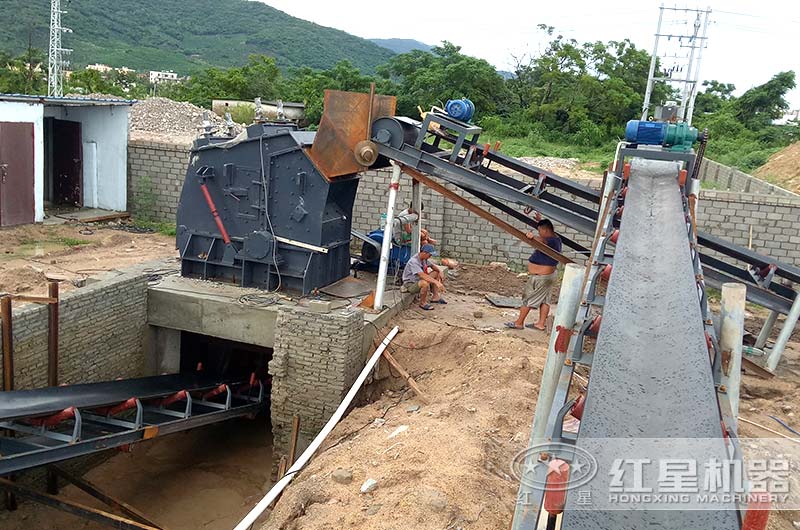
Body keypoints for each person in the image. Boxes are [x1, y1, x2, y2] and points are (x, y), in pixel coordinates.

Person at [506, 215, 562, 330]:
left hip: (541, 277)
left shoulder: (551, 241)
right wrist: (539, 221)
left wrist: (532, 237)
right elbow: (545, 235)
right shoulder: (556, 239)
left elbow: (543, 240)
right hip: (546, 277)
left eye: (540, 231)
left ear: (546, 230)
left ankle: (519, 323)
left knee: (529, 299)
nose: (539, 233)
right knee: (545, 300)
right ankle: (540, 324)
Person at [402, 243, 446, 310]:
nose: (430, 256)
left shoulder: (423, 259)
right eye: (430, 255)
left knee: (436, 273)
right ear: (424, 253)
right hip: (411, 284)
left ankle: (435, 297)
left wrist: (440, 271)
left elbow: (432, 266)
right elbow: (422, 275)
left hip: (419, 280)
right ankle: (422, 303)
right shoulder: (414, 261)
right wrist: (436, 282)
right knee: (424, 283)